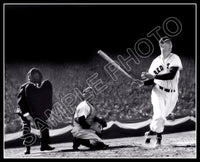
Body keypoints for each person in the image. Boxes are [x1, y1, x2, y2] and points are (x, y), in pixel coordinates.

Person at [137, 37, 183, 146]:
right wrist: (143, 83)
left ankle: (150, 133)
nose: (163, 42)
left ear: (170, 46)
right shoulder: (155, 62)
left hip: (173, 93)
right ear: (160, 46)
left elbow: (171, 75)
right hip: (158, 92)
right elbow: (152, 80)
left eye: (166, 41)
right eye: (161, 41)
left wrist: (153, 76)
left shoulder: (174, 58)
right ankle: (159, 138)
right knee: (159, 116)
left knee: (162, 117)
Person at [17, 68, 55, 154]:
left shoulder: (43, 86)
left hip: (37, 111)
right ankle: (27, 148)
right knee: (26, 127)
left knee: (44, 125)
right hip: (25, 111)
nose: (37, 77)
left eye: (38, 76)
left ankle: (44, 145)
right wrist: (27, 114)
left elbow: (47, 100)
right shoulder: (25, 87)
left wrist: (46, 112)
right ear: (31, 77)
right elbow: (21, 102)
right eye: (35, 76)